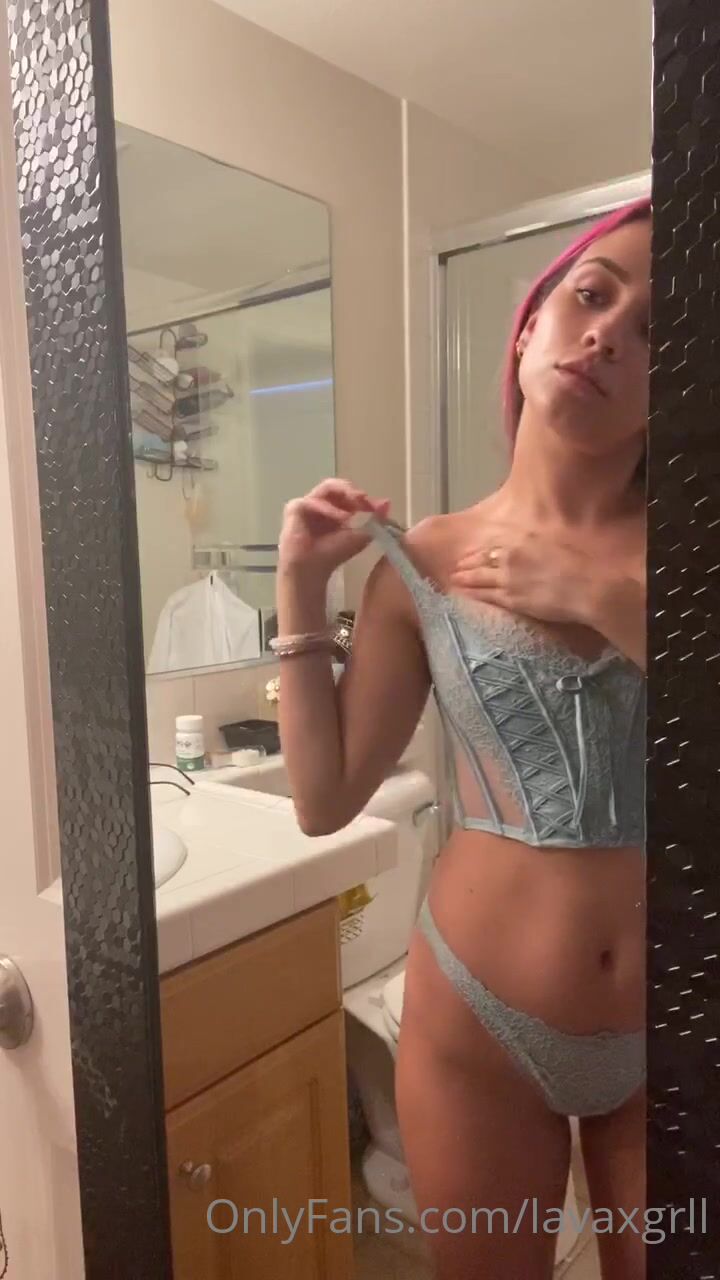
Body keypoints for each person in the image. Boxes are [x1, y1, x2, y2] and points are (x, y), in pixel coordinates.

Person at [274, 197, 649, 1280]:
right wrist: (301, 588)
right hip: (476, 1023)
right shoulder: (425, 561)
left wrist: (600, 595)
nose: (607, 335)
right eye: (591, 295)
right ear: (528, 330)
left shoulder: (696, 557)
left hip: (676, 1014)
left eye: (654, 333)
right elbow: (324, 800)